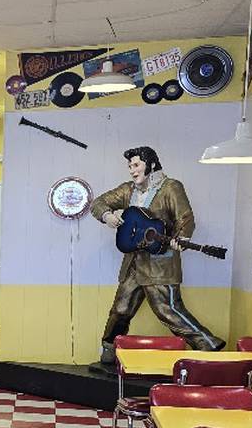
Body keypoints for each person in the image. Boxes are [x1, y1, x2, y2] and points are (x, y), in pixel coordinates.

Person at [89, 145, 225, 365]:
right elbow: (98, 203)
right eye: (130, 166)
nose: (132, 171)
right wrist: (107, 216)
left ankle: (209, 345)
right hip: (133, 262)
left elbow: (185, 218)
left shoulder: (170, 187)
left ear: (151, 164)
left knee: (168, 310)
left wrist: (182, 238)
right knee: (120, 309)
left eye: (136, 165)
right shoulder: (128, 190)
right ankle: (109, 348)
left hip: (160, 263)